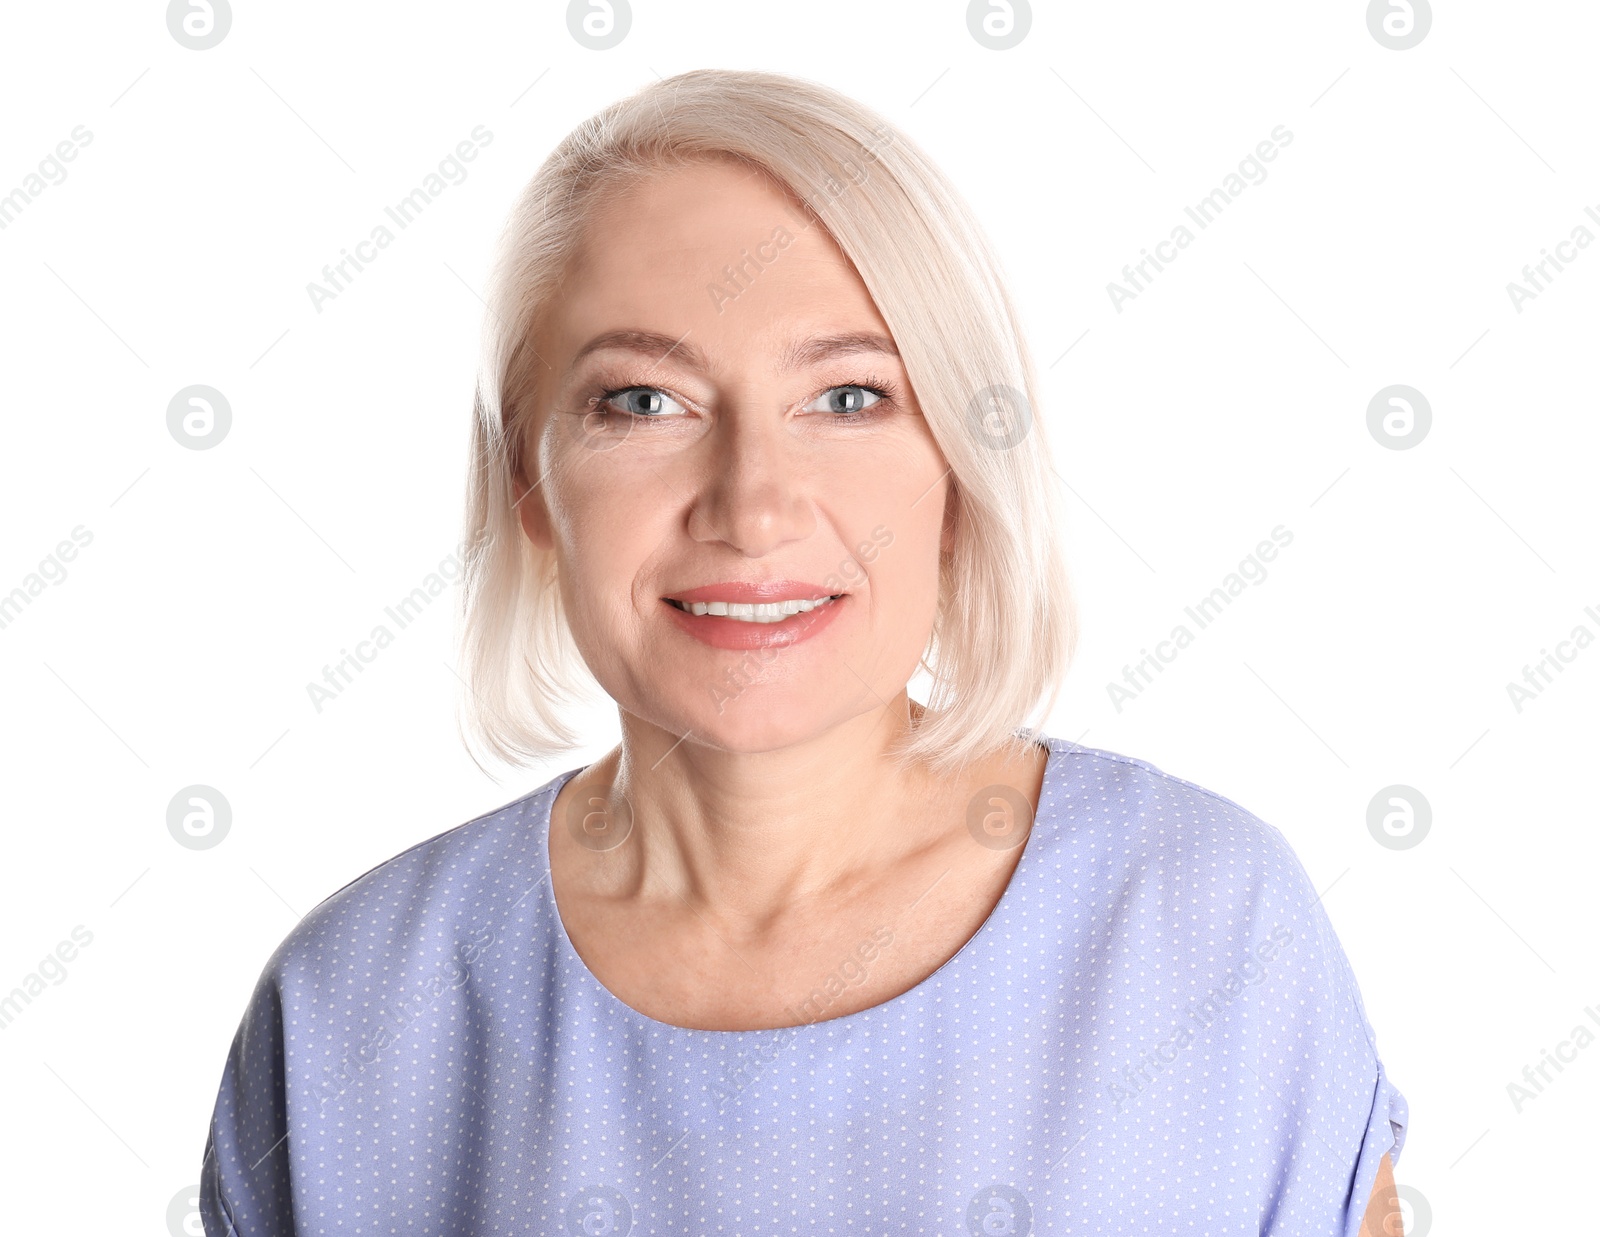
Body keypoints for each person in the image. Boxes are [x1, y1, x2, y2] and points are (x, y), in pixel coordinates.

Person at [199, 69, 1406, 1236]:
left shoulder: (1207, 926)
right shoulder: (351, 1010)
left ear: (961, 463)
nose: (752, 505)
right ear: (530, 476)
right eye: (641, 401)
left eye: (846, 397)